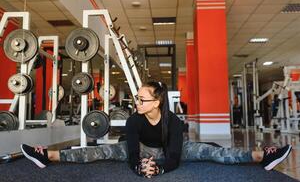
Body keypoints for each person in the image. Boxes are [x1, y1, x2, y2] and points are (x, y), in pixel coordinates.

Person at [20, 81, 292, 178]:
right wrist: (139, 166)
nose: (137, 102)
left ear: (157, 102)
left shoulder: (173, 121)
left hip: (174, 148)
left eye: (142, 99)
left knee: (214, 153)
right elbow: (130, 154)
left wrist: (160, 168)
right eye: (137, 98)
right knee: (100, 151)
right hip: (140, 148)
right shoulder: (134, 119)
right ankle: (48, 156)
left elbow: (173, 156)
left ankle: (262, 156)